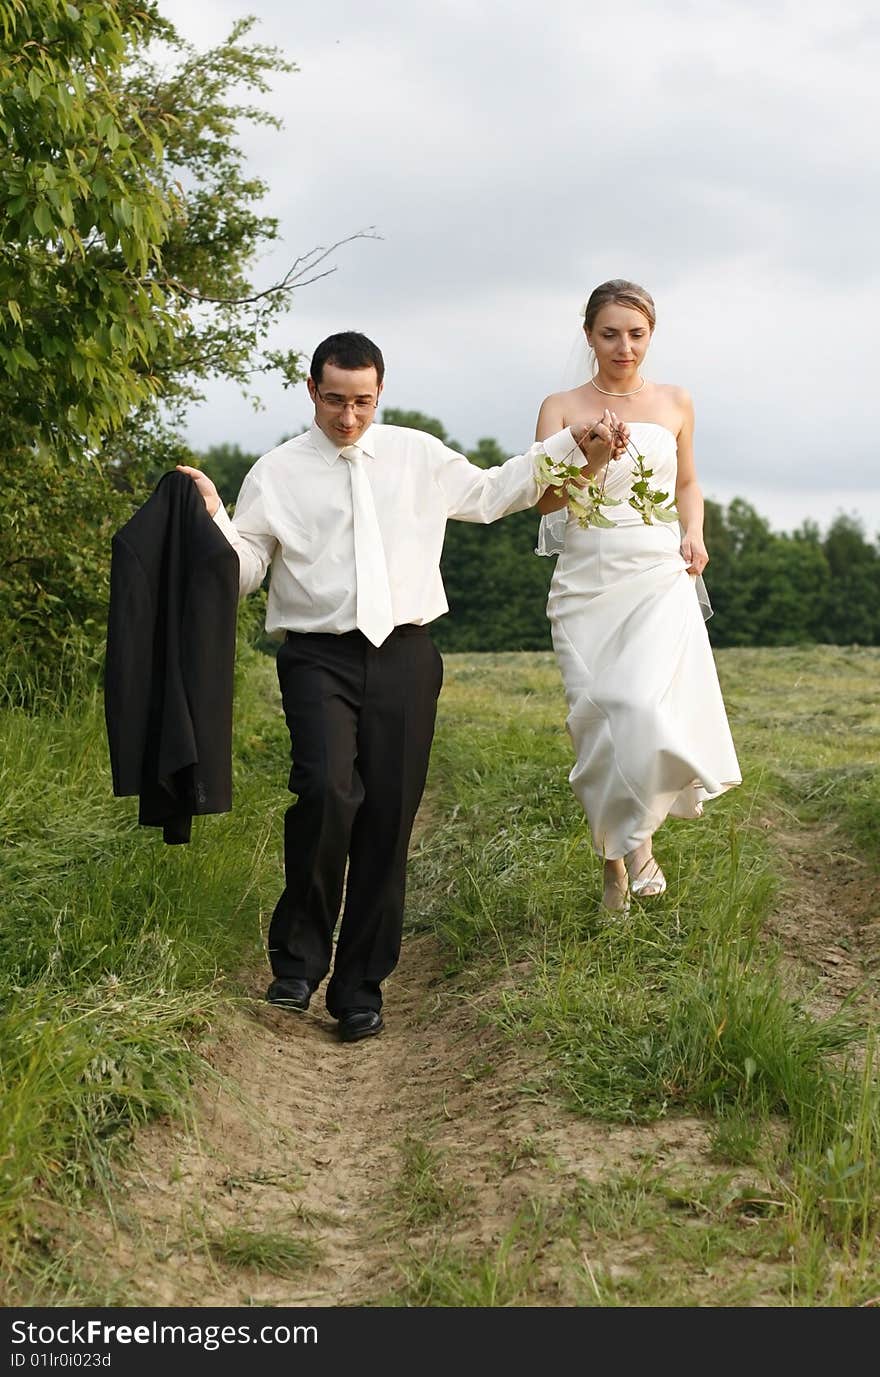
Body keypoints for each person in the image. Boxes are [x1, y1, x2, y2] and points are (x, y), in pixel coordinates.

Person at [178, 330, 622, 1042]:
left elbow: (494, 491)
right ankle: (297, 964)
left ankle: (360, 988)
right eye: (334, 400)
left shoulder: (418, 454)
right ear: (310, 390)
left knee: (388, 819)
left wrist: (571, 443)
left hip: (407, 656)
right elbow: (246, 566)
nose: (348, 417)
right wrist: (211, 525)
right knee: (326, 791)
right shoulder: (276, 472)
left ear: (379, 392)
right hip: (318, 657)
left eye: (362, 401)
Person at [535, 280, 741, 912]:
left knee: (639, 705)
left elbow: (688, 482)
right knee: (595, 723)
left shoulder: (676, 401)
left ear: (651, 334)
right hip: (586, 581)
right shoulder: (561, 406)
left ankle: (641, 839)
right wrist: (592, 456)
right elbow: (542, 501)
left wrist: (696, 534)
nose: (623, 346)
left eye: (636, 333)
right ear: (588, 334)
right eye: (609, 333)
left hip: (655, 572)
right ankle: (612, 866)